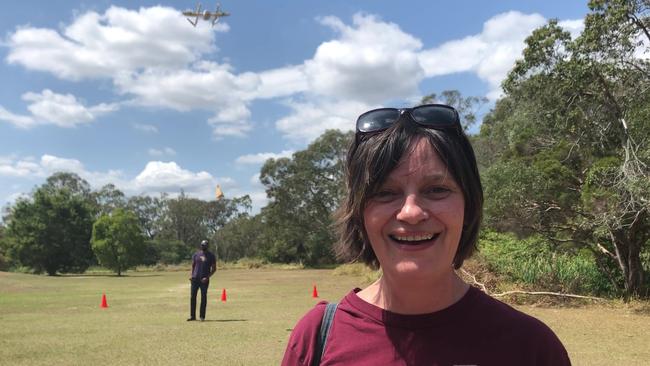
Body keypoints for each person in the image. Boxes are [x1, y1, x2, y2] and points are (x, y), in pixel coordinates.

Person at [282, 104, 571, 365]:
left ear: (468, 206)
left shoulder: (530, 348)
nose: (411, 212)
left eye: (436, 190)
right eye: (385, 192)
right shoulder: (317, 338)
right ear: (360, 214)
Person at [187, 239, 216, 322]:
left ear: (207, 246)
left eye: (205, 245)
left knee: (203, 297)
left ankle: (202, 316)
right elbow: (193, 266)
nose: (203, 246)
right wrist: (191, 275)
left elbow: (214, 269)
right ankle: (192, 316)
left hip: (204, 280)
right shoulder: (196, 254)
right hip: (195, 279)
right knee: (193, 297)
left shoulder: (211, 256)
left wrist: (207, 277)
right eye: (202, 245)